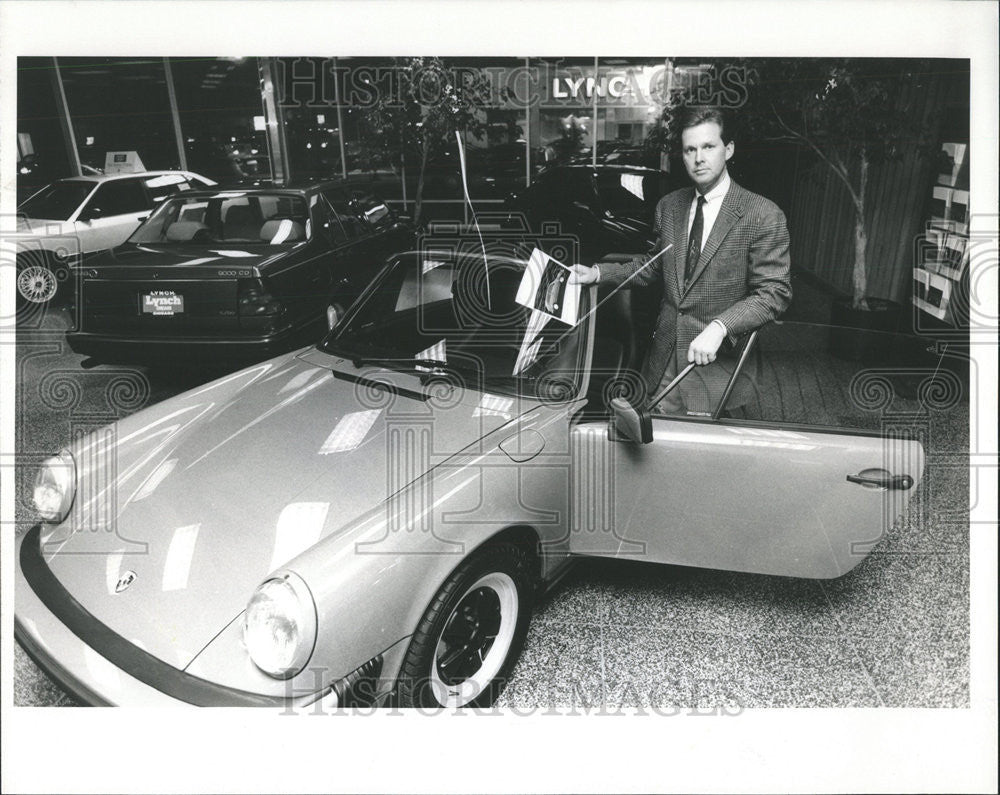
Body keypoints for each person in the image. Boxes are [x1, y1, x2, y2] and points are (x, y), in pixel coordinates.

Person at [569, 106, 792, 415]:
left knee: (702, 457)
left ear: (728, 150)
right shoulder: (670, 207)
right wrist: (597, 273)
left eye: (708, 146)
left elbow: (774, 293)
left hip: (717, 369)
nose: (698, 157)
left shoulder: (762, 215)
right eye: (690, 149)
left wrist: (720, 327)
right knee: (653, 446)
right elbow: (654, 266)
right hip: (664, 362)